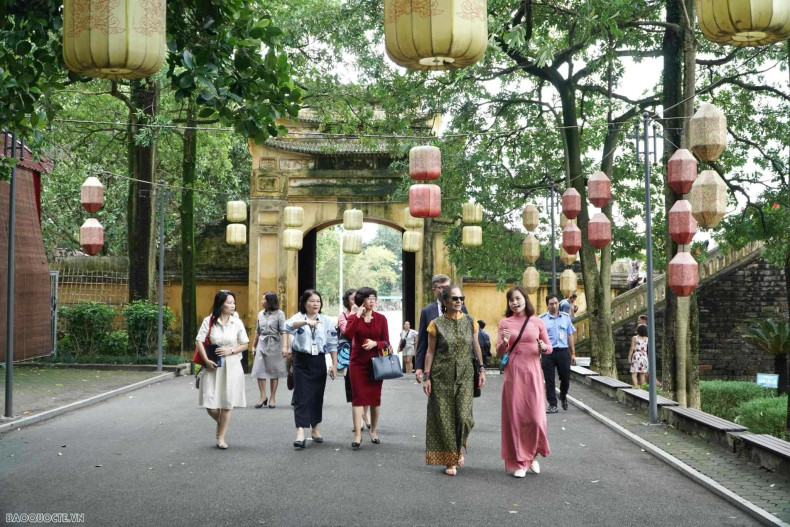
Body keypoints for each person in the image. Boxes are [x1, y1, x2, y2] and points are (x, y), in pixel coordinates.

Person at [423, 285, 487, 476]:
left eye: (461, 298)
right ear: (445, 301)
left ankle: (458, 446)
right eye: (454, 298)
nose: (459, 301)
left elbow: (476, 346)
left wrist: (482, 369)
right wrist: (427, 376)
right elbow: (430, 351)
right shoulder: (436, 324)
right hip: (441, 376)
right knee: (445, 419)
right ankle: (451, 459)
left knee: (464, 418)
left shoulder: (470, 321)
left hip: (466, 375)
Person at [498, 286, 552, 477]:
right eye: (511, 300)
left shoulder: (537, 322)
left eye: (518, 298)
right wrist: (505, 342)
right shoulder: (505, 323)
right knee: (516, 419)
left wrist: (544, 347)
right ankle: (521, 462)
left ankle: (532, 456)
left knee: (536, 419)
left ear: (525, 300)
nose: (515, 303)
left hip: (533, 374)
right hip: (514, 375)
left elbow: (549, 348)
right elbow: (499, 351)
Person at [284, 290, 339, 449]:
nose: (315, 304)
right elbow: (286, 326)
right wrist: (306, 323)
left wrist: (334, 364)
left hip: (319, 360)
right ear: (304, 303)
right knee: (301, 395)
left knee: (316, 395)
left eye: (318, 301)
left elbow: (333, 344)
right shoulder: (298, 317)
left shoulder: (326, 320)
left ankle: (315, 428)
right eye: (312, 301)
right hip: (301, 359)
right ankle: (300, 431)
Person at [195, 290, 249, 449]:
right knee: (210, 404)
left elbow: (245, 344)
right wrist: (206, 360)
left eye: (234, 303)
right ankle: (222, 423)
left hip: (232, 366)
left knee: (226, 403)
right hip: (213, 365)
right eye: (229, 303)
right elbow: (198, 341)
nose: (233, 306)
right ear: (221, 304)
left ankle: (221, 438)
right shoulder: (209, 321)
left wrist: (230, 351)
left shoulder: (237, 322)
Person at [344, 287, 390, 449]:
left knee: (375, 399)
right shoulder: (353, 317)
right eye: (369, 298)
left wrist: (375, 344)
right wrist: (356, 315)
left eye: (374, 298)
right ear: (361, 300)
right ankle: (357, 435)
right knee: (358, 398)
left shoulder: (381, 319)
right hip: (357, 364)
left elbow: (386, 342)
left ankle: (374, 431)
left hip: (376, 364)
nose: (372, 301)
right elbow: (348, 334)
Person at [415, 274, 468, 383]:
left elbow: (469, 336)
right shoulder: (427, 311)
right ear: (434, 290)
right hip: (436, 363)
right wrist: (419, 366)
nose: (445, 290)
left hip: (458, 362)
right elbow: (422, 340)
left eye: (447, 287)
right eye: (441, 287)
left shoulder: (461, 308)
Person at [338, 288, 371, 431]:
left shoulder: (368, 314)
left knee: (367, 385)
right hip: (350, 355)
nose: (356, 301)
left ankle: (366, 415)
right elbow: (347, 332)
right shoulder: (343, 316)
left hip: (366, 352)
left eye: (358, 298)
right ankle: (359, 419)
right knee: (354, 387)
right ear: (347, 301)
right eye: (353, 299)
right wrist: (354, 314)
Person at [539, 294, 576, 413]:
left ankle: (563, 396)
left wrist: (573, 353)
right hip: (548, 352)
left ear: (559, 303)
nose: (554, 306)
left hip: (563, 351)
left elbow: (570, 335)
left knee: (565, 378)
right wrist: (539, 353)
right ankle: (552, 404)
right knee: (549, 379)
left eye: (556, 303)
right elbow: (538, 338)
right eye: (551, 304)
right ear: (547, 305)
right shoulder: (541, 319)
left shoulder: (566, 317)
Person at [251, 292, 287, 409]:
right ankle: (263, 396)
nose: (262, 302)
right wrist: (254, 345)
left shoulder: (280, 314)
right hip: (262, 342)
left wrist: (285, 347)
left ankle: (272, 397)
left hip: (275, 343)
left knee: (274, 371)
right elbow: (257, 331)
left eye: (264, 300)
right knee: (259, 369)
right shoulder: (260, 314)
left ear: (270, 301)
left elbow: (284, 331)